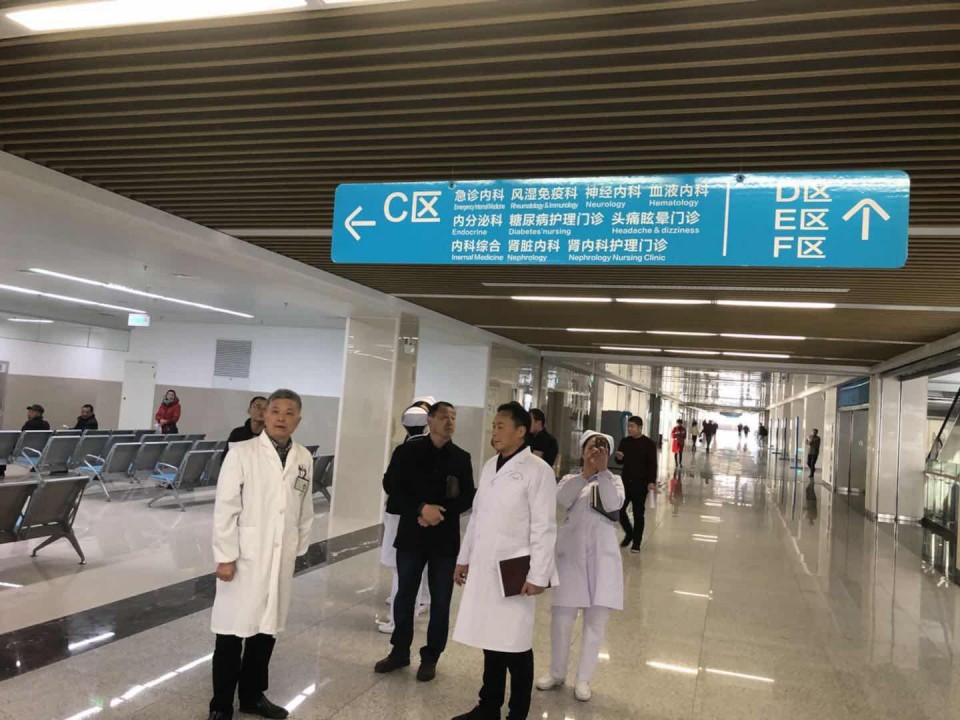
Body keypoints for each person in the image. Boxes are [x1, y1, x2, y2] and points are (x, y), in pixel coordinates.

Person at [208, 389, 315, 720]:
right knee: (230, 631)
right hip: (243, 557)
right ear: (264, 416)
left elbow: (304, 507)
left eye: (289, 412)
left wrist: (298, 547)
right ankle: (220, 705)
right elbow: (225, 508)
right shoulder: (241, 453)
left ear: (298, 420)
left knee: (265, 630)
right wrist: (226, 556)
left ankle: (252, 697)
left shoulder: (303, 457)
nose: (281, 417)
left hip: (280, 556)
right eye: (275, 411)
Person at [451, 402, 558, 720]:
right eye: (493, 426)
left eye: (501, 426)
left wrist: (538, 575)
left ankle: (517, 712)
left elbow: (544, 526)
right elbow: (477, 516)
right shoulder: (489, 466)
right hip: (485, 565)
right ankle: (488, 706)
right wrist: (464, 558)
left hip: (516, 570)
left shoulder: (538, 470)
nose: (494, 432)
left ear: (521, 431)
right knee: (491, 638)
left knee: (515, 644)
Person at [375, 401, 475, 682]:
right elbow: (392, 489)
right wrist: (421, 510)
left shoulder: (461, 457)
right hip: (411, 534)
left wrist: (437, 514)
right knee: (405, 595)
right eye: (444, 416)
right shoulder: (407, 452)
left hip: (444, 540)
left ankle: (431, 657)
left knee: (441, 600)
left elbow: (467, 497)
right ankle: (399, 651)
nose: (450, 422)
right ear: (429, 420)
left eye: (453, 417)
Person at [537, 431, 624, 702]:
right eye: (591, 446)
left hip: (602, 560)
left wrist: (603, 472)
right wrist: (586, 473)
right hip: (570, 557)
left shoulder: (615, 481)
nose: (595, 451)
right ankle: (556, 672)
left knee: (595, 623)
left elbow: (613, 503)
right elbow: (562, 499)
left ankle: (584, 679)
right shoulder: (570, 479)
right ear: (582, 450)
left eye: (602, 447)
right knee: (562, 620)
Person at [379, 397, 435, 634]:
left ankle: (397, 621)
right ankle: (415, 608)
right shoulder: (434, 450)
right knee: (415, 570)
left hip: (402, 517)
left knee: (400, 572)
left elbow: (390, 484)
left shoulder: (403, 451)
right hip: (424, 518)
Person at [614, 416, 657, 553]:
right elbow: (619, 461)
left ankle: (636, 543)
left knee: (638, 514)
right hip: (626, 482)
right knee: (620, 510)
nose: (629, 429)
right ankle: (629, 533)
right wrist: (618, 458)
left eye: (632, 426)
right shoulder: (625, 442)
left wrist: (651, 481)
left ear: (640, 428)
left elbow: (652, 464)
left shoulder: (649, 444)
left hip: (641, 484)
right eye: (629, 426)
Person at [527, 409, 559, 473]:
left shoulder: (550, 441)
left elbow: (547, 464)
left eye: (530, 421)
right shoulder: (526, 438)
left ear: (539, 422)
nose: (527, 424)